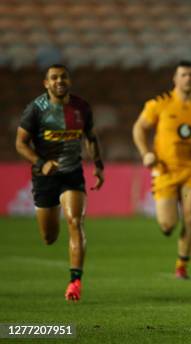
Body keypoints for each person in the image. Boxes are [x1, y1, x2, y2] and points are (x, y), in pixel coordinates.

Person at [15, 64, 105, 301]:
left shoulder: (81, 107)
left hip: (72, 174)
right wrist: (41, 162)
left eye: (63, 77)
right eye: (54, 78)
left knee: (76, 221)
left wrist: (98, 165)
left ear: (69, 81)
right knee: (49, 237)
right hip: (45, 177)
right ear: (46, 83)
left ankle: (75, 282)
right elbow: (20, 143)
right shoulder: (35, 109)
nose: (59, 81)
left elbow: (91, 137)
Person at [132, 60, 191, 279]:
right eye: (183, 75)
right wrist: (145, 152)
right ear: (175, 79)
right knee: (168, 224)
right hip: (164, 169)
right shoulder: (159, 104)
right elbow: (139, 128)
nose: (188, 78)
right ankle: (168, 227)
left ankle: (182, 265)